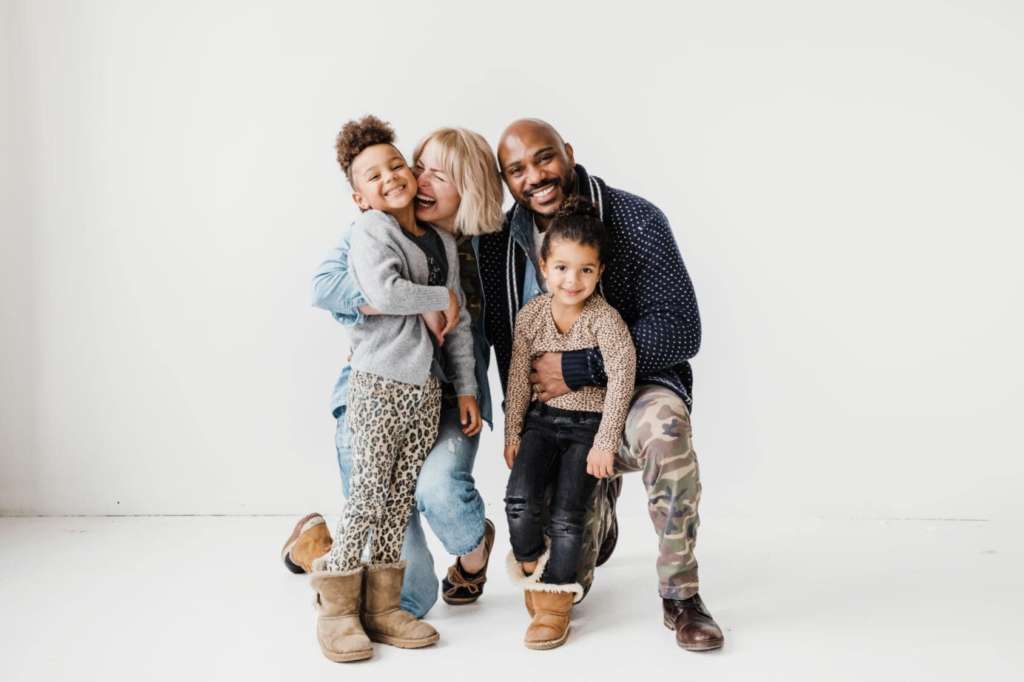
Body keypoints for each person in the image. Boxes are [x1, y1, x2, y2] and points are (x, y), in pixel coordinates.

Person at [476, 118, 725, 651]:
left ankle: (681, 597)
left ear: (566, 152)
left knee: (665, 429)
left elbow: (682, 327)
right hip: (554, 416)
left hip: (635, 392)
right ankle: (597, 513)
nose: (535, 176)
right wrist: (515, 425)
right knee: (555, 566)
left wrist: (581, 367)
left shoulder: (635, 219)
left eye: (544, 158)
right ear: (505, 179)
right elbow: (510, 348)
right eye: (516, 169)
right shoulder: (498, 241)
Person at [286, 125, 504, 620]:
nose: (421, 181)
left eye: (439, 175)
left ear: (469, 188)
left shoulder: (487, 249)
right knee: (412, 597)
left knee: (440, 493)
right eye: (419, 165)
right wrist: (417, 303)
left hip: (443, 400)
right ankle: (317, 544)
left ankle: (473, 554)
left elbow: (495, 326)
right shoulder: (376, 224)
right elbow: (324, 287)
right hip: (374, 395)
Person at [503, 196, 636, 649]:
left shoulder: (606, 321)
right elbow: (519, 380)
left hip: (587, 428)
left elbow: (620, 381)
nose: (572, 280)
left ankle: (556, 600)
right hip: (541, 423)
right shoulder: (531, 317)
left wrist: (605, 442)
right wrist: (512, 433)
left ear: (599, 272)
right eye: (561, 267)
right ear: (543, 267)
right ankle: (532, 570)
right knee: (519, 500)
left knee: (566, 514)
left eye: (585, 269)